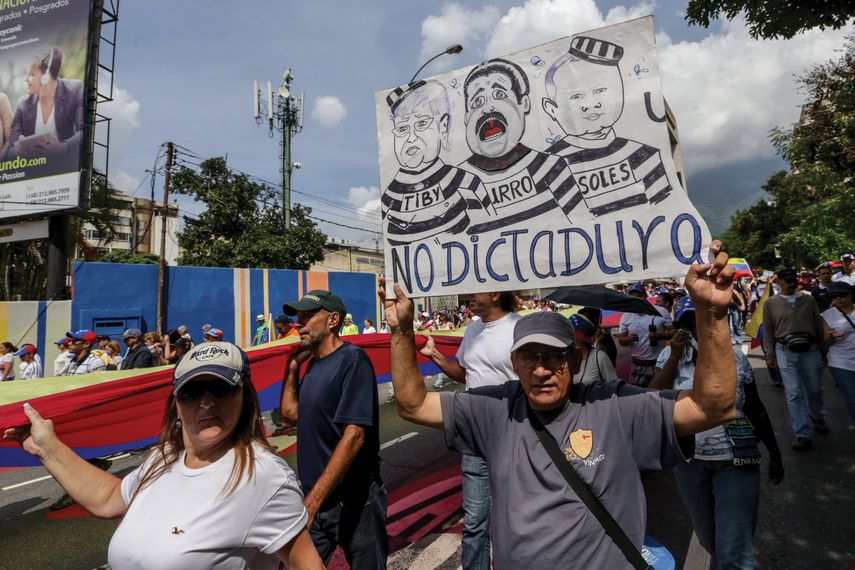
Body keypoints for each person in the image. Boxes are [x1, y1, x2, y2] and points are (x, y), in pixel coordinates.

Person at [379, 241, 740, 569]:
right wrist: (401, 331)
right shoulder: (493, 407)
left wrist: (713, 315)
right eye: (529, 357)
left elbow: (713, 407)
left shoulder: (615, 406)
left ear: (577, 360)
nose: (541, 370)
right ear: (514, 363)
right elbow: (413, 406)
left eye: (554, 358)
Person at [4, 342, 323, 569]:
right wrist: (47, 447)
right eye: (192, 393)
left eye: (222, 389)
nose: (207, 403)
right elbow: (109, 497)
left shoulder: (264, 476)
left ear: (245, 397)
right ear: (177, 404)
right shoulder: (165, 456)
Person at [650, 296, 783, 568]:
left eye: (698, 320)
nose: (693, 329)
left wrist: (775, 453)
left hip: (735, 461)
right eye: (685, 323)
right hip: (688, 463)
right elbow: (652, 398)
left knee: (734, 553)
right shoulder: (668, 357)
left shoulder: (733, 356)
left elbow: (756, 407)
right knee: (710, 540)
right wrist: (675, 356)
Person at [279, 290, 387, 568]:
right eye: (298, 317)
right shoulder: (313, 366)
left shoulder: (353, 360)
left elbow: (354, 437)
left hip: (353, 501)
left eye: (307, 316)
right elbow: (290, 414)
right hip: (316, 502)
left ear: (332, 320)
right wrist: (291, 369)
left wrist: (312, 503)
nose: (299, 324)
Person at [417, 290, 519, 570]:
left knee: (512, 517)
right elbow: (465, 373)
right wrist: (434, 354)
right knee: (474, 520)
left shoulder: (518, 329)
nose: (469, 296)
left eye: (476, 291)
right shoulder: (473, 328)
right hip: (474, 438)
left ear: (496, 294)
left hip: (511, 437)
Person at [542, 36, 673, 216]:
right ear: (551, 109)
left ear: (621, 93)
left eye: (601, 90)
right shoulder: (548, 166)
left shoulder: (644, 156)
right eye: (575, 96)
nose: (591, 104)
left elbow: (666, 212)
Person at [458, 58, 579, 233]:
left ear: (524, 104)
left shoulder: (550, 168)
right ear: (467, 117)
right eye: (478, 102)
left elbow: (581, 221)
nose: (488, 108)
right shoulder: (459, 181)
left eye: (499, 95)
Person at [762, 268, 827, 450]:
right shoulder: (770, 304)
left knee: (815, 389)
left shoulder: (808, 300)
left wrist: (823, 351)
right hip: (784, 350)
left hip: (810, 349)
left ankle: (817, 415)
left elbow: (818, 326)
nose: (791, 284)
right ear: (778, 282)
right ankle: (802, 433)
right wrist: (769, 354)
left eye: (793, 281)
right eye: (787, 281)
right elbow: (768, 331)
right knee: (793, 392)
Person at [9, 48, 84, 161]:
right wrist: (18, 150)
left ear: (46, 77)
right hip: (34, 170)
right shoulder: (22, 105)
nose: (25, 79)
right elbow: (10, 148)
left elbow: (85, 132)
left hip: (66, 170)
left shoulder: (75, 90)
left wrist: (63, 147)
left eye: (32, 74)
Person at [617, 283, 670, 387]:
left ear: (645, 295)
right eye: (632, 297)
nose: (636, 299)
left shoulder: (661, 311)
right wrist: (629, 338)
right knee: (638, 397)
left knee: (661, 395)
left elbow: (673, 332)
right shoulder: (626, 315)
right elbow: (621, 341)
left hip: (659, 362)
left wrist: (660, 336)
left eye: (639, 296)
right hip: (638, 364)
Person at [820, 281, 855, 424]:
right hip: (841, 362)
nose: (839, 298)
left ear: (851, 295)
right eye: (835, 296)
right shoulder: (828, 315)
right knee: (852, 398)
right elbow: (825, 341)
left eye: (842, 295)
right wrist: (831, 336)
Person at [569, 314, 616, 385]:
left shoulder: (600, 357)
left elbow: (614, 386)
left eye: (570, 334)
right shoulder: (567, 358)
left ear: (580, 338)